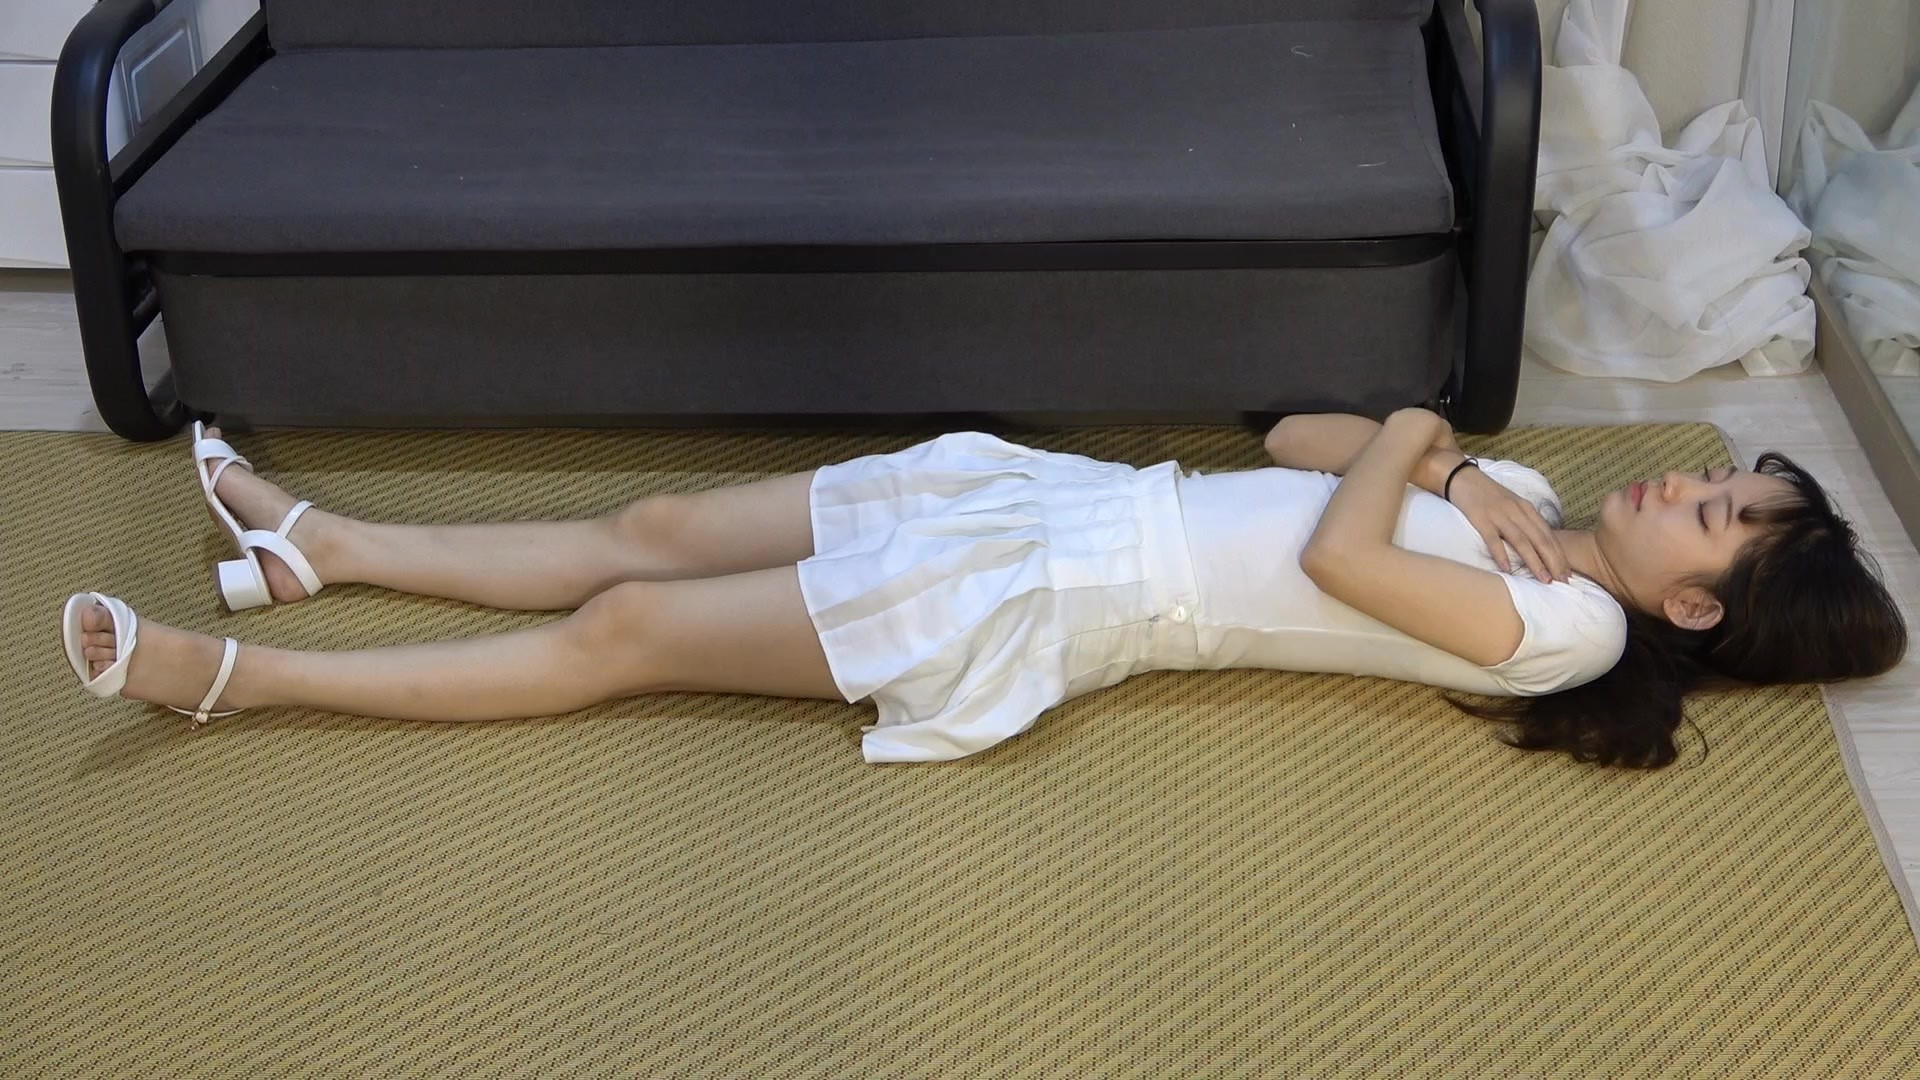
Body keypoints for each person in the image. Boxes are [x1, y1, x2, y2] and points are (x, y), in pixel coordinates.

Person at [62, 410, 1907, 768]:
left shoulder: (1564, 632)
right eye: (1723, 480)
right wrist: (1460, 468)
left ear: (1692, 611)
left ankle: (244, 679)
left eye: (1717, 520)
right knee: (660, 523)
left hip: (1058, 602)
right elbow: (1292, 438)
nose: (1683, 487)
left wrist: (1428, 437)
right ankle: (334, 547)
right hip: (1047, 500)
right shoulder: (1527, 507)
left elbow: (1337, 549)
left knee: (623, 639)